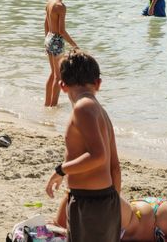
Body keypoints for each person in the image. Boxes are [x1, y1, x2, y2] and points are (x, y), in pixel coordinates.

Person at [45, 50, 120, 242]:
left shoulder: (82, 108)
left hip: (90, 201)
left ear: (62, 86)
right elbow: (114, 166)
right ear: (98, 83)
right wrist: (114, 206)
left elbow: (98, 156)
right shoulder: (101, 112)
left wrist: (61, 170)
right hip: (105, 200)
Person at [44, 0, 78, 108]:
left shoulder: (50, 2)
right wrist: (75, 45)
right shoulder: (60, 6)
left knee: (53, 74)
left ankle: (47, 104)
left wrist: (47, 38)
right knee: (58, 77)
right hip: (57, 40)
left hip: (49, 38)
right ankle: (53, 105)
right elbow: (62, 31)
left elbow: (46, 23)